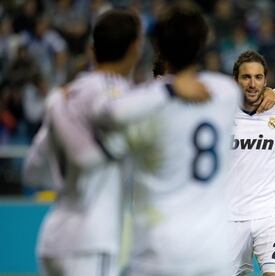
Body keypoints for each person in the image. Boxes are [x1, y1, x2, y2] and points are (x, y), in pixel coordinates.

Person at [23, 7, 209, 276]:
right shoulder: (125, 99)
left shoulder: (67, 96)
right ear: (135, 48)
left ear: (92, 48)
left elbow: (32, 171)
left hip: (53, 237)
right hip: (93, 240)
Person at [95, 2, 242, 275]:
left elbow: (107, 114)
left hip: (159, 250)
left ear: (156, 46)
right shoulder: (225, 92)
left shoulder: (148, 101)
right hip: (214, 250)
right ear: (202, 43)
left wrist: (168, 91)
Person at [226, 50, 275, 276]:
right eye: (246, 77)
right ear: (236, 80)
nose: (252, 84)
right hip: (229, 217)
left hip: (271, 215)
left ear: (266, 80)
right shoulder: (220, 114)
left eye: (258, 77)